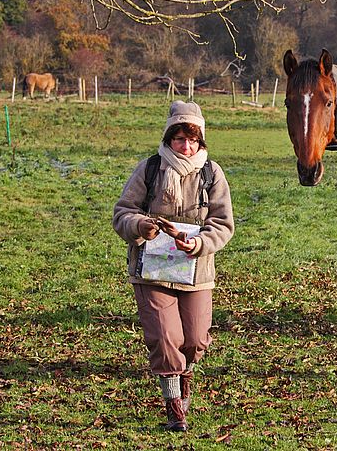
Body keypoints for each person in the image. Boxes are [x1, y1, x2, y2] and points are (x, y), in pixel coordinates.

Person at [113, 101, 234, 432]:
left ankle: (186, 377)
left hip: (196, 271)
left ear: (201, 141)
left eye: (193, 139)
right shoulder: (150, 169)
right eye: (180, 139)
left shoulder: (212, 173)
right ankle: (173, 407)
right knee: (166, 338)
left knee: (194, 340)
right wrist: (141, 226)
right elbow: (122, 212)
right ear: (169, 139)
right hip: (151, 271)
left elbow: (223, 224)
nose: (186, 146)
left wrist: (199, 244)